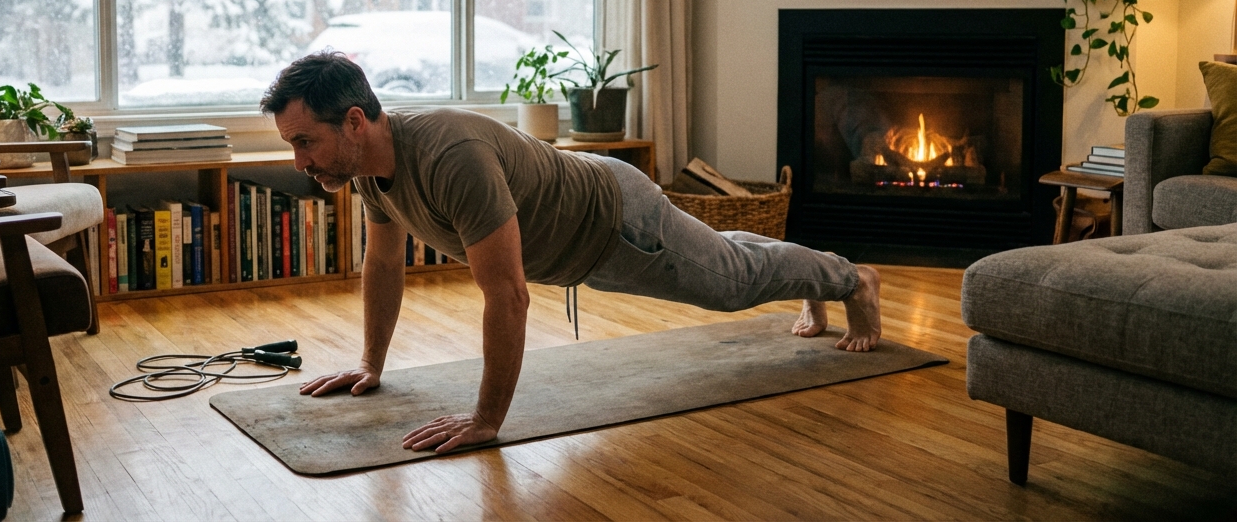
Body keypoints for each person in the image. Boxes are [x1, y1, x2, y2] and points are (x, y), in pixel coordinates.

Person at [260, 52, 881, 455]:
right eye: (293, 146)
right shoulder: (367, 170)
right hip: (585, 223)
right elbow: (385, 263)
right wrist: (371, 362)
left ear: (354, 121)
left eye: (306, 142)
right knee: (727, 259)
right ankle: (815, 266)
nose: (301, 163)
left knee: (730, 283)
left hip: (615, 224)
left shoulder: (450, 157)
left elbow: (507, 295)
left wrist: (486, 420)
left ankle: (850, 279)